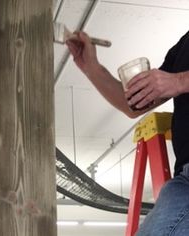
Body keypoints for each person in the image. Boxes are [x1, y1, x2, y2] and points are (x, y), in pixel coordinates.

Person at [66, 31, 189, 235]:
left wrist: (178, 81)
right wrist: (91, 67)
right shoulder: (184, 45)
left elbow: (174, 82)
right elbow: (132, 104)